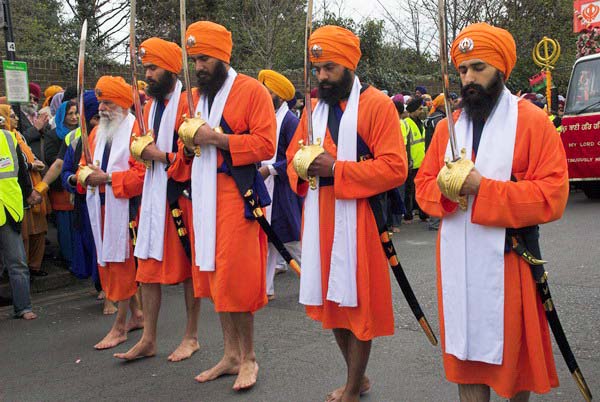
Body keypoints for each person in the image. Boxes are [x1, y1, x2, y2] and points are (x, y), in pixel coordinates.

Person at [415, 23, 569, 402]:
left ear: (502, 70)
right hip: (457, 261)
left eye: (478, 68)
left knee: (513, 363)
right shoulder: (447, 129)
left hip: (509, 261)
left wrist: (483, 188)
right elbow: (423, 187)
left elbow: (553, 195)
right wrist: (448, 192)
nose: (469, 78)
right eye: (463, 70)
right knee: (464, 357)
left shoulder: (532, 122)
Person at [286, 25, 407, 401]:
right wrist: (303, 169)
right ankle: (359, 377)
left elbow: (394, 168)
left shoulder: (377, 106)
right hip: (320, 218)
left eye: (329, 68)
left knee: (359, 304)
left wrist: (337, 168)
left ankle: (353, 386)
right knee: (332, 304)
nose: (321, 76)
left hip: (361, 222)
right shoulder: (312, 111)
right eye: (317, 68)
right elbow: (293, 160)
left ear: (350, 66)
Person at [173, 20, 276, 390]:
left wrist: (216, 139)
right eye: (194, 59)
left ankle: (248, 357)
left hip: (236, 196)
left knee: (237, 279)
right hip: (202, 196)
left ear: (221, 57)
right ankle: (230, 354)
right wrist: (188, 146)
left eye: (204, 59)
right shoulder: (194, 99)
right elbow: (187, 150)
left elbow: (265, 145)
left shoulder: (251, 91)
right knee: (216, 276)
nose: (198, 67)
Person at [114, 37, 202, 363]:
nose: (148, 74)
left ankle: (191, 336)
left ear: (170, 69)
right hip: (152, 197)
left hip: (182, 197)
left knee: (190, 269)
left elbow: (193, 155)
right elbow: (140, 152)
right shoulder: (147, 108)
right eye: (146, 68)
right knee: (147, 271)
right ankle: (149, 338)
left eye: (153, 68)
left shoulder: (189, 103)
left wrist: (159, 155)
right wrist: (142, 153)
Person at [77, 76, 145, 349]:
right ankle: (137, 314)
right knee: (110, 263)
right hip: (99, 206)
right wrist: (83, 177)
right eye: (101, 102)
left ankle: (119, 327)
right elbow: (83, 165)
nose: (102, 108)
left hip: (126, 206)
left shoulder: (136, 130)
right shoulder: (95, 133)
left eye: (108, 102)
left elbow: (141, 175)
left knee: (123, 265)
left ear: (122, 105)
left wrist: (106, 179)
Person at [257, 69, 303, 300]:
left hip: (283, 188)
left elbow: (296, 156)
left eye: (269, 92)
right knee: (268, 238)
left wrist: (271, 169)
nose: (265, 95)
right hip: (266, 186)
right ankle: (266, 289)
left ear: (281, 96)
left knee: (292, 240)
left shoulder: (290, 121)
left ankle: (316, 282)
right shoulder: (266, 117)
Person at [61, 91, 104, 304]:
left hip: (111, 202)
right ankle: (101, 286)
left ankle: (115, 293)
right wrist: (74, 179)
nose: (98, 122)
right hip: (85, 204)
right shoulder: (77, 142)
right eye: (94, 118)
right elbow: (66, 171)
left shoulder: (117, 138)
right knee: (91, 244)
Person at [0, 117, 42, 319]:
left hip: (8, 209)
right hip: (8, 208)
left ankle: (23, 307)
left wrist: (29, 193)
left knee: (17, 261)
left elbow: (22, 173)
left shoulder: (8, 138)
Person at [0, 105, 50, 276]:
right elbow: (19, 165)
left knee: (38, 230)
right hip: (15, 198)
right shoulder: (7, 138)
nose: (16, 119)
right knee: (23, 239)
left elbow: (26, 155)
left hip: (28, 188)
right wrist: (31, 165)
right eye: (12, 116)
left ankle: (34, 267)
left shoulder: (17, 136)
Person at [403, 97, 428, 223]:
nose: (421, 110)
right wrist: (407, 161)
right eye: (419, 109)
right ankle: (408, 214)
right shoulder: (406, 123)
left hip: (421, 162)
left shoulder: (421, 123)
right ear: (413, 111)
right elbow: (404, 144)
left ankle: (422, 213)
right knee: (409, 190)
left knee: (420, 189)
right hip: (411, 163)